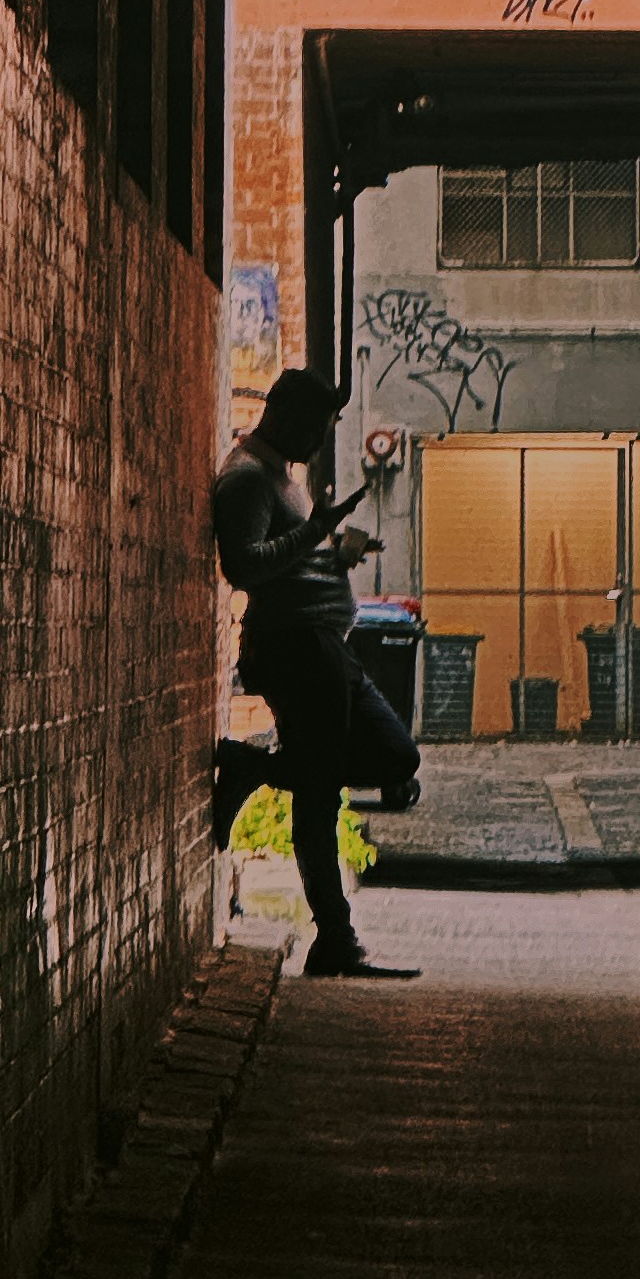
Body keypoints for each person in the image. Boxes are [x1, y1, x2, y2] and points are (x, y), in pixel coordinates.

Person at [211, 368, 422, 980]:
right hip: (293, 648)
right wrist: (316, 532)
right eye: (315, 426)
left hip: (325, 647)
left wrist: (333, 553)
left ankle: (257, 767)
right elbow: (245, 566)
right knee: (319, 793)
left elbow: (294, 555)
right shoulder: (248, 478)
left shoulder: (282, 477)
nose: (318, 439)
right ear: (282, 414)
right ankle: (336, 940)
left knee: (395, 755)